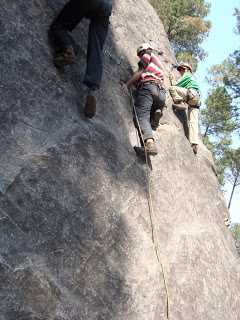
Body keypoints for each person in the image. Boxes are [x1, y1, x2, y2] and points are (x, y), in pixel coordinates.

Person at [48, 0, 113, 118]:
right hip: (107, 7)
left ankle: (68, 47)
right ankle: (92, 90)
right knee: (97, 47)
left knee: (59, 27)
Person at [122, 43, 166, 156]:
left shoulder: (147, 54)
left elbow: (140, 72)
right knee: (149, 111)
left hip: (149, 87)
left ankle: (150, 144)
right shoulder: (158, 65)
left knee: (141, 115)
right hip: (161, 94)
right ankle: (156, 114)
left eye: (140, 53)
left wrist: (127, 84)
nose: (140, 56)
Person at [169, 62, 201, 155]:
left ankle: (179, 102)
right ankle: (194, 143)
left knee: (172, 88)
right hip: (196, 101)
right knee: (193, 122)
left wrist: (171, 76)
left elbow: (176, 85)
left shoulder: (187, 75)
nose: (180, 72)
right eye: (179, 70)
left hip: (190, 95)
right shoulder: (192, 78)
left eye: (181, 69)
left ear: (186, 69)